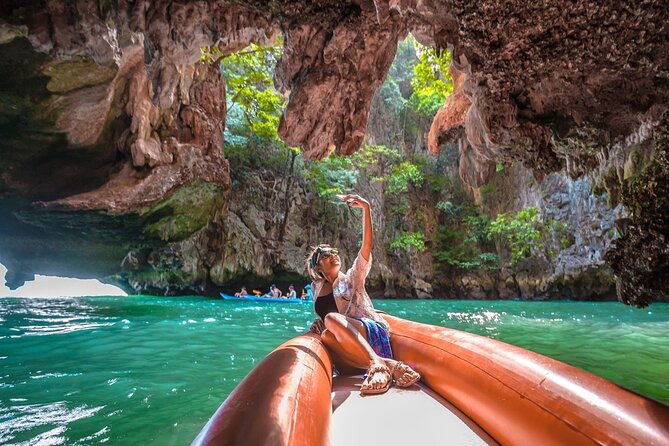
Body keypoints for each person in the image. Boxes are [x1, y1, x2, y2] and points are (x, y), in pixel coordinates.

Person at [305, 193, 420, 395]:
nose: (332, 256)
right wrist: (318, 321)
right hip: (348, 349)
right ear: (318, 267)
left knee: (332, 319)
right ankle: (390, 365)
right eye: (325, 255)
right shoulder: (316, 288)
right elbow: (327, 318)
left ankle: (377, 363)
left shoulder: (352, 278)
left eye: (333, 252)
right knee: (326, 335)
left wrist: (366, 209)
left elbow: (366, 246)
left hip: (369, 331)